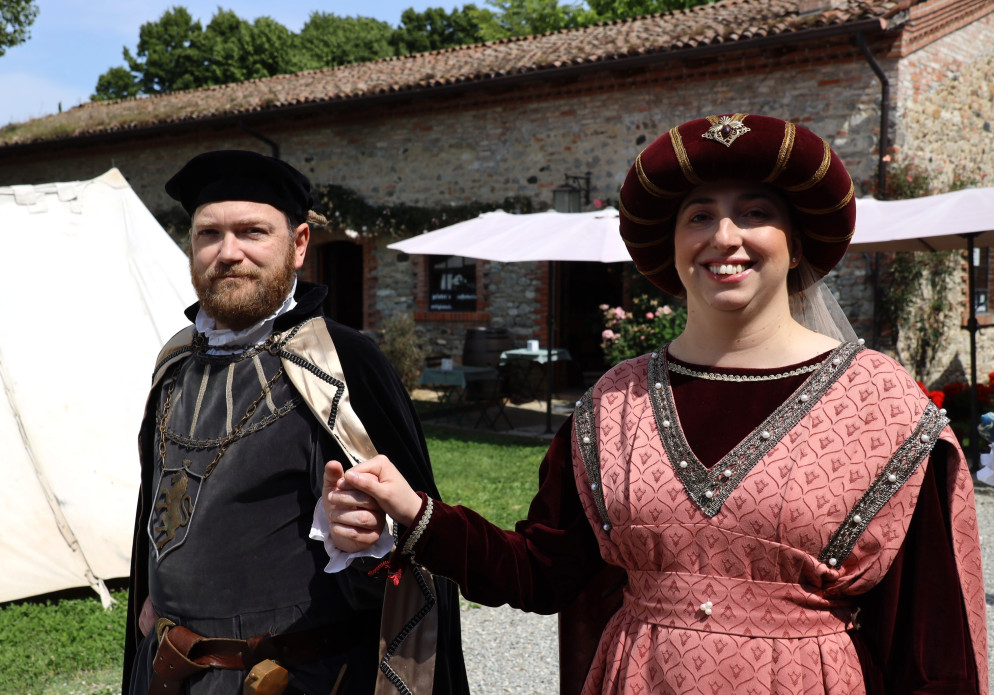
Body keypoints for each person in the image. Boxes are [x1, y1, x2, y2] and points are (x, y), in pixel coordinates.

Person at [323, 114, 989, 694]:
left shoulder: (882, 409)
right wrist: (416, 513)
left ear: (796, 244)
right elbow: (541, 572)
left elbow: (931, 653)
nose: (724, 234)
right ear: (672, 249)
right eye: (699, 214)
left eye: (755, 212)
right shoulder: (614, 405)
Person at [122, 150, 469, 695]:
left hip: (293, 682)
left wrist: (369, 541)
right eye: (209, 234)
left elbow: (413, 552)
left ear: (299, 244)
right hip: (168, 675)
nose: (228, 253)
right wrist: (155, 598)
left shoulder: (342, 365)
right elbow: (166, 512)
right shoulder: (174, 364)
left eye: (252, 232)